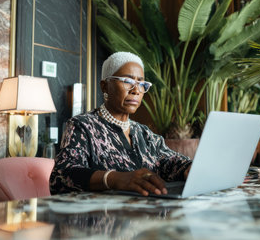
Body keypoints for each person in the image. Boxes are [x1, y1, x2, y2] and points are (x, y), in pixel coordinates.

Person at [50, 52, 192, 196]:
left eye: (141, 84)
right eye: (127, 81)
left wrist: (190, 168)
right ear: (105, 86)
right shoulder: (82, 126)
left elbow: (170, 161)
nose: (136, 90)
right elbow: (62, 176)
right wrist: (115, 179)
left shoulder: (144, 133)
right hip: (101, 216)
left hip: (146, 215)